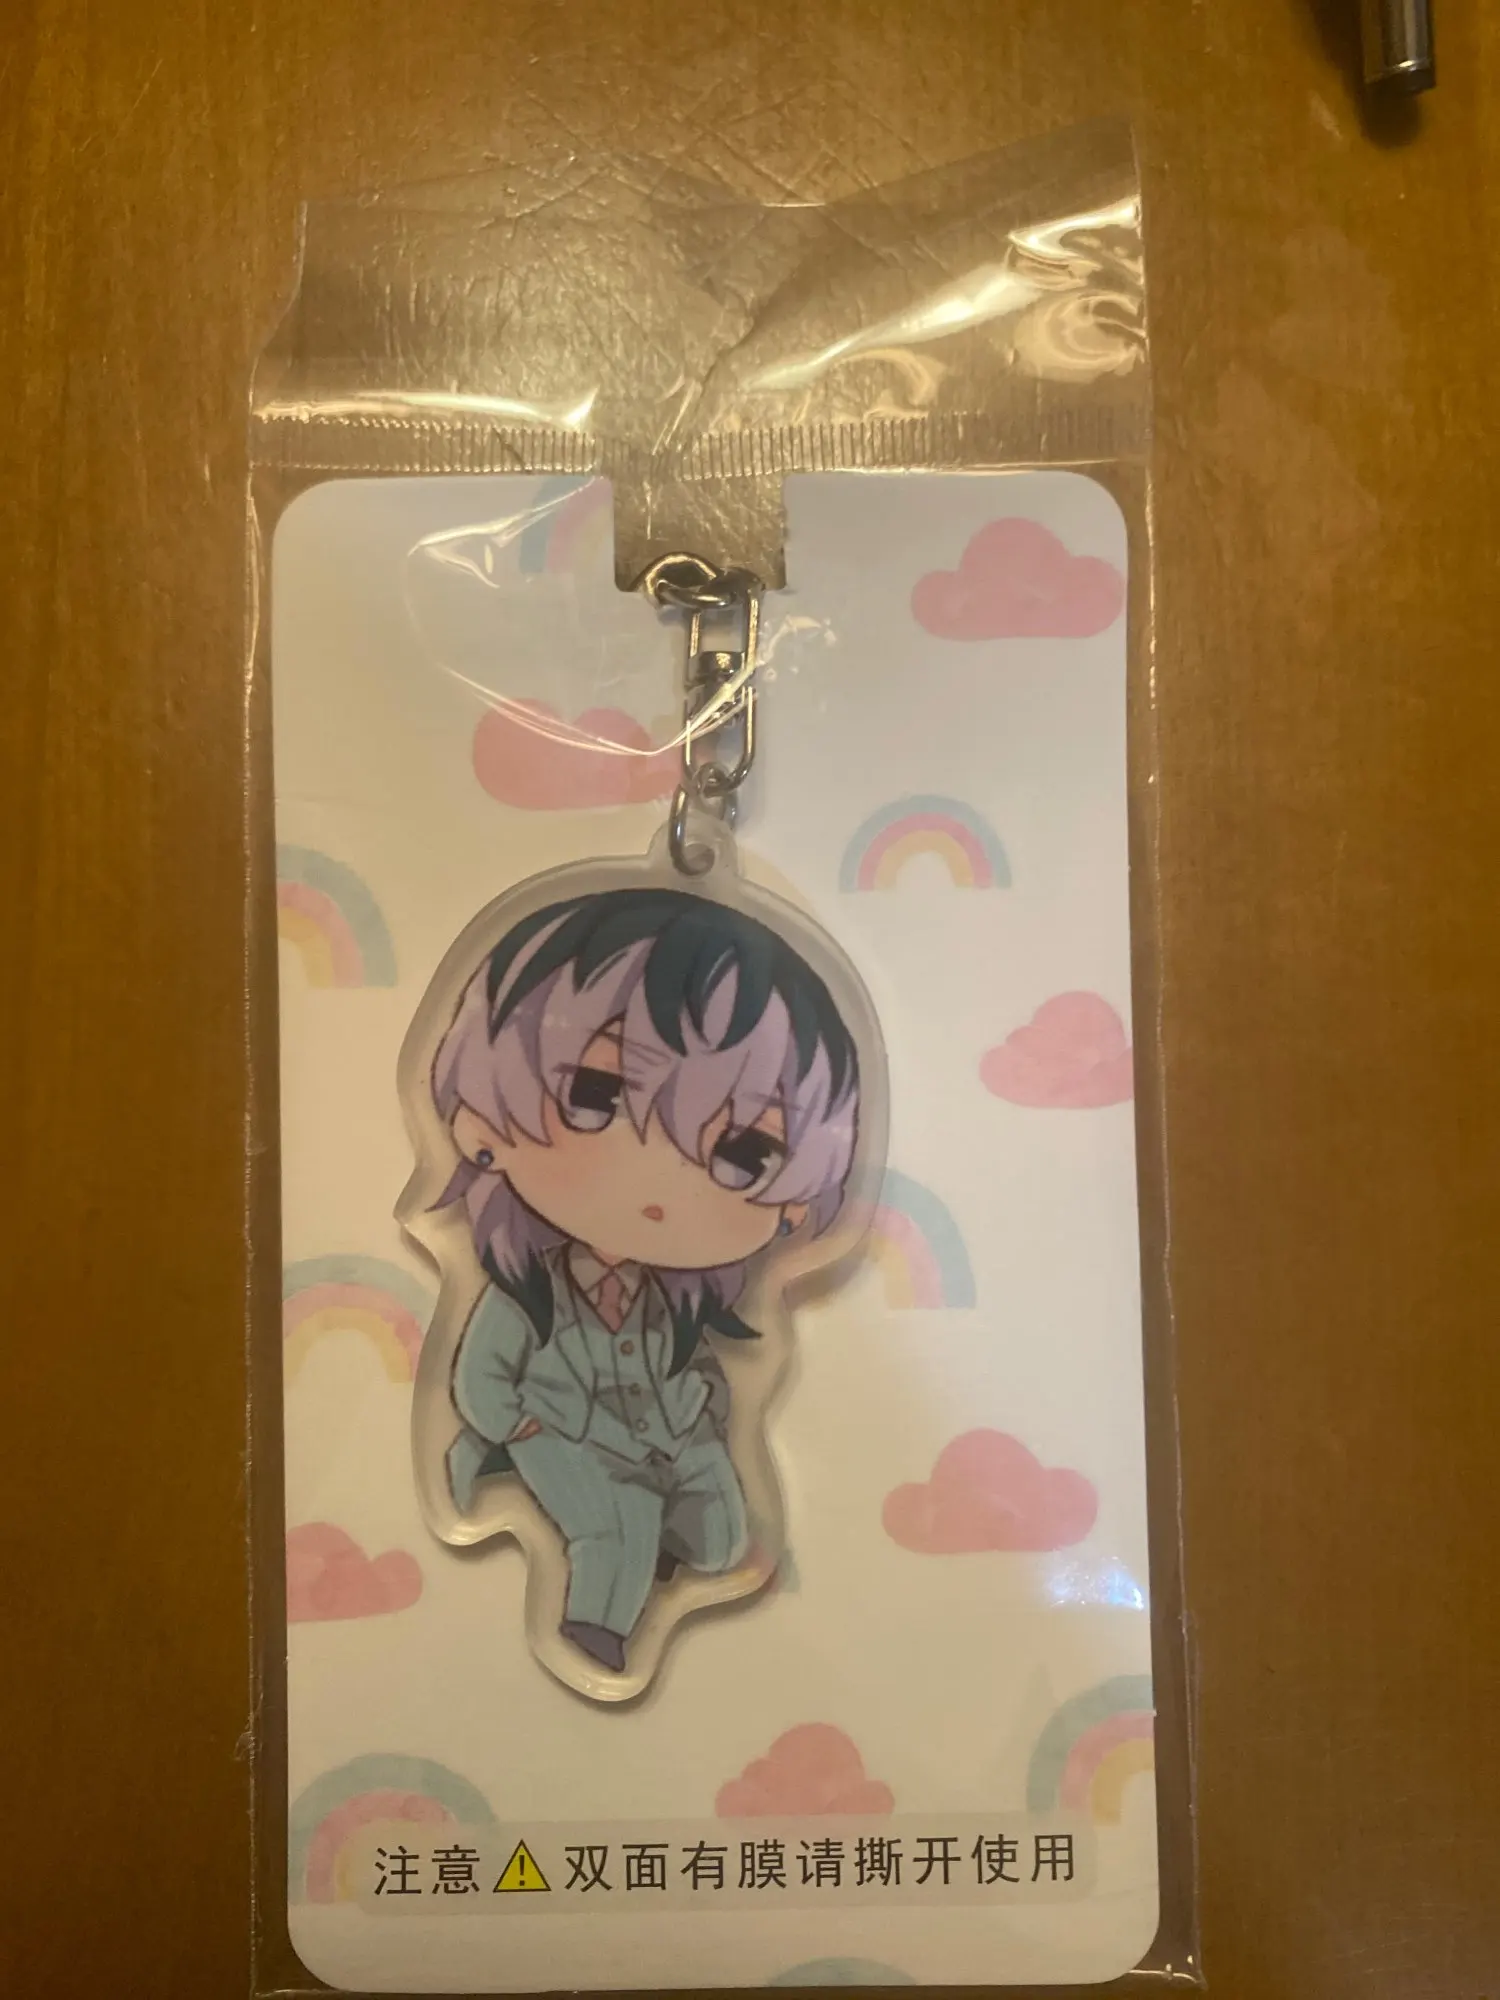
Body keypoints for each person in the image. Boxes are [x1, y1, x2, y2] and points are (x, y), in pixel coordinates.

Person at [430, 886, 861, 1672]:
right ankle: (595, 1627)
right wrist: (514, 1427)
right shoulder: (528, 1289)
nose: (659, 1180)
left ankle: (667, 1547)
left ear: (793, 1203)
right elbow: (482, 1370)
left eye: (745, 1154)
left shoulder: (665, 1303)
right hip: (554, 1433)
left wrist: (702, 1419)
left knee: (723, 1530)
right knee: (618, 1514)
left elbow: (693, 1366)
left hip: (661, 1434)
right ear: (481, 1124)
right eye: (595, 1096)